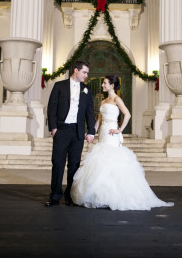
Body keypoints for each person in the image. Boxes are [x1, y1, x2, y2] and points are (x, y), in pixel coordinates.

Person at [71, 75, 174, 211]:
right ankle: (101, 196)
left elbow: (128, 114)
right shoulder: (103, 101)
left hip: (112, 133)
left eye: (105, 83)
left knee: (112, 161)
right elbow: (99, 120)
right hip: (103, 133)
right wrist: (92, 133)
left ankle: (114, 196)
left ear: (112, 85)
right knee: (101, 161)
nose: (103, 85)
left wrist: (120, 130)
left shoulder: (116, 99)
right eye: (103, 83)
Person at [45, 60, 95, 206]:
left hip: (78, 132)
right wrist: (53, 128)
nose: (86, 75)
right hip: (61, 130)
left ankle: (70, 197)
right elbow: (51, 107)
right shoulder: (59, 86)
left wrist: (91, 131)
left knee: (74, 165)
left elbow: (89, 113)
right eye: (84, 72)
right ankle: (55, 196)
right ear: (76, 70)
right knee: (58, 164)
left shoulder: (87, 89)